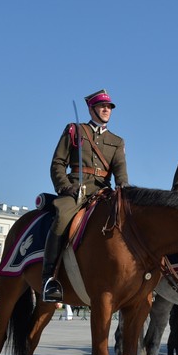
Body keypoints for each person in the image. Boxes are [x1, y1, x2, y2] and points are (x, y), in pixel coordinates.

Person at [43, 89, 129, 303]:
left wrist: (124, 192)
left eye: (109, 107)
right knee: (63, 217)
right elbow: (57, 163)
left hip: (103, 191)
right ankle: (49, 278)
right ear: (91, 109)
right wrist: (64, 187)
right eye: (102, 106)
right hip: (76, 189)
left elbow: (121, 173)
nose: (106, 110)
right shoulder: (75, 131)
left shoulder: (117, 141)